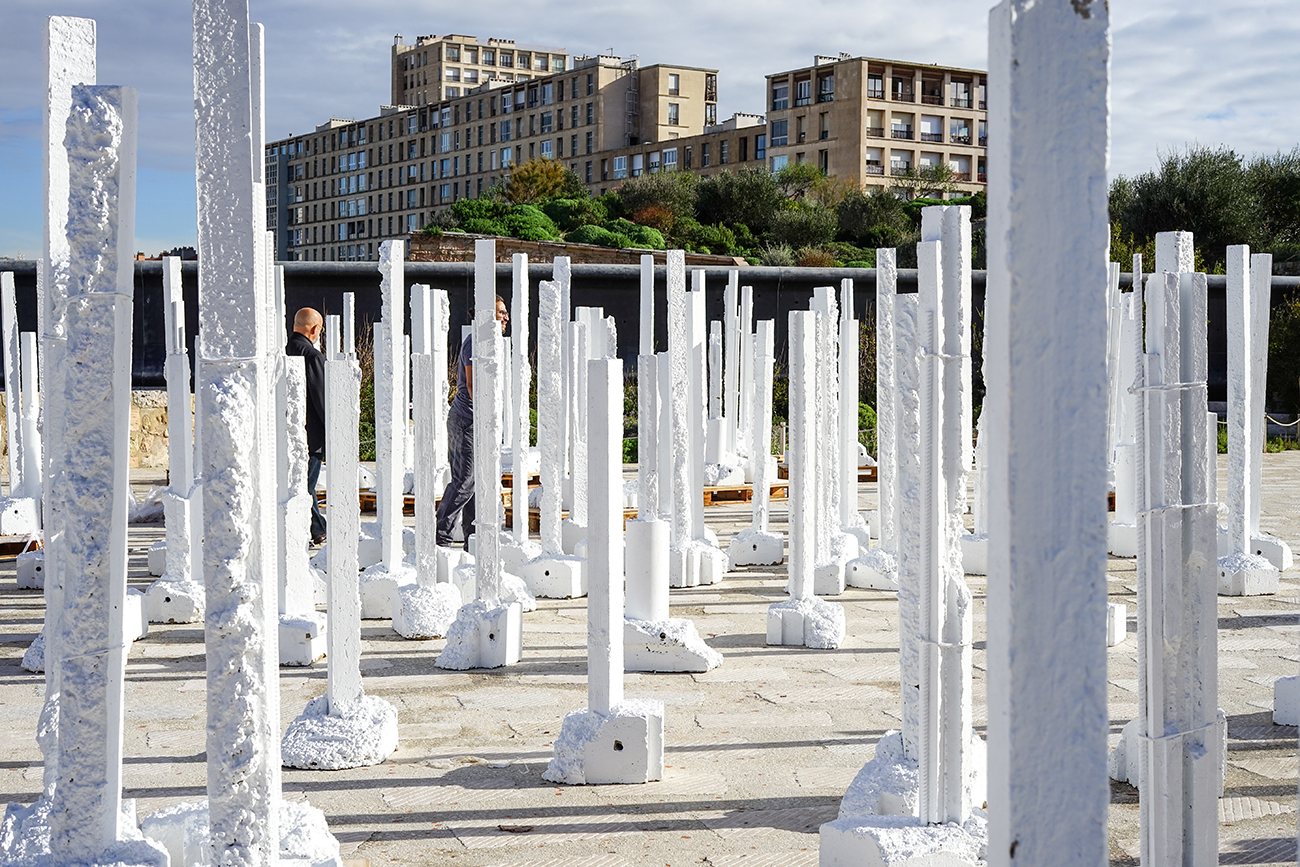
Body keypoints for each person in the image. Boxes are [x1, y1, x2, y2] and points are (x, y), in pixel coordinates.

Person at [435, 295, 509, 549]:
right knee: (465, 480)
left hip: (477, 420)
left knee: (476, 481)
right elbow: (474, 386)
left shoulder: (489, 343)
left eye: (505, 313)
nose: (506, 318)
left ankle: (471, 538)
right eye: (501, 313)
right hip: (467, 420)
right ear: (487, 317)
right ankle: (441, 536)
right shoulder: (477, 343)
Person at [287, 307, 327, 546]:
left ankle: (315, 528)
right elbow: (321, 400)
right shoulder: (312, 356)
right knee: (306, 485)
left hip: (288, 431)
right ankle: (317, 529)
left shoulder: (283, 351)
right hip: (311, 436)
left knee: (301, 483)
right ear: (315, 329)